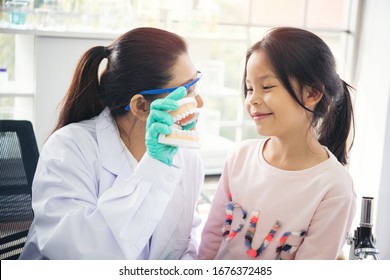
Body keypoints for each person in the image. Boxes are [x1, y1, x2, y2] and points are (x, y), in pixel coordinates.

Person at [19, 27, 205, 260]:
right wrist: (154, 170)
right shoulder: (68, 149)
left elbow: (187, 243)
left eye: (196, 85)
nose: (199, 102)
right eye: (186, 91)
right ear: (140, 106)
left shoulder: (184, 156)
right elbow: (83, 256)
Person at [198, 27, 356, 260]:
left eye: (267, 87)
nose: (252, 99)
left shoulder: (334, 188)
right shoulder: (240, 157)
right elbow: (210, 240)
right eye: (250, 88)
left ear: (312, 94)